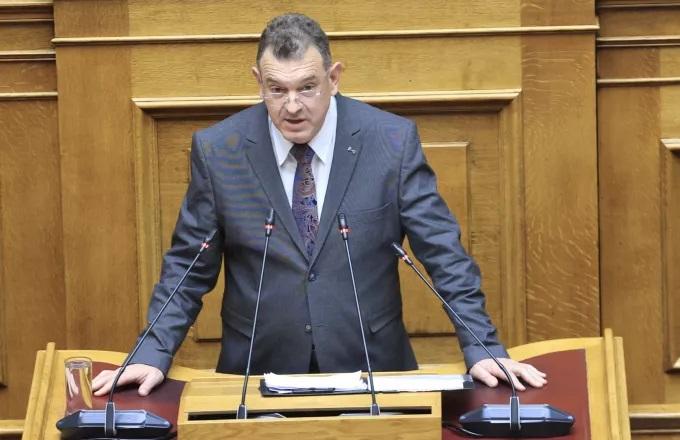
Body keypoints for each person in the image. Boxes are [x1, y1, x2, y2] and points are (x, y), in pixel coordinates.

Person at [93, 13, 546, 397]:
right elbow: (189, 266)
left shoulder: (389, 142)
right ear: (258, 82)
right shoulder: (220, 150)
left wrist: (482, 347)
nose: (292, 106)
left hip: (371, 367)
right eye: (277, 90)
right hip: (256, 373)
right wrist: (152, 351)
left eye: (307, 87)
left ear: (334, 77)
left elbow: (443, 253)